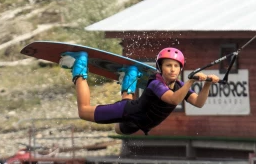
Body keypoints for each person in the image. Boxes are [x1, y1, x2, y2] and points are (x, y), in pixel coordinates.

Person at [59, 48, 219, 135]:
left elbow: (198, 103)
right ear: (160, 67)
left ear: (180, 69)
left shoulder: (179, 86)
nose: (172, 69)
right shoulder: (156, 83)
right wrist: (191, 80)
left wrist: (207, 84)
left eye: (176, 66)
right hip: (128, 112)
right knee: (83, 111)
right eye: (168, 65)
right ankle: (79, 65)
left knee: (119, 130)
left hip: (138, 122)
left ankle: (130, 76)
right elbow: (174, 100)